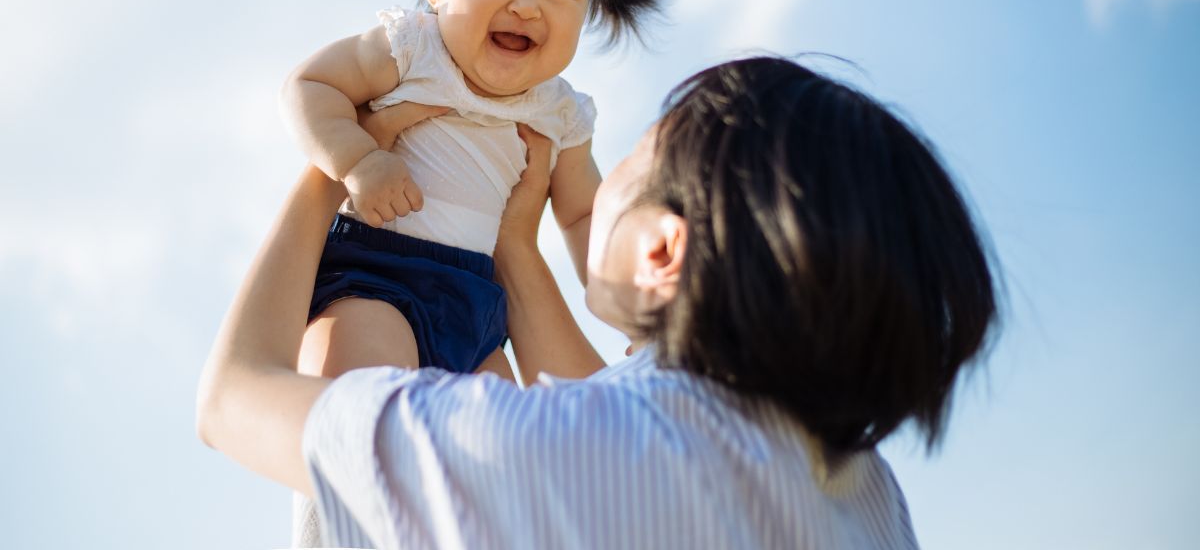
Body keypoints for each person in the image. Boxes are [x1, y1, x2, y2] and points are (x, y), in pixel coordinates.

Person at [198, 56, 999, 549]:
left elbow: (235, 397)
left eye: (628, 165)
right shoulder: (866, 492)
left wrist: (337, 167)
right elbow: (618, 403)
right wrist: (515, 248)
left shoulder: (533, 452)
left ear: (661, 250)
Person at [279, 0, 664, 543]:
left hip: (482, 311)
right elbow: (308, 87)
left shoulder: (561, 113)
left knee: (500, 480)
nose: (528, 3)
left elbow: (584, 216)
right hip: (375, 275)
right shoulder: (409, 49)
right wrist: (360, 157)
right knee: (362, 431)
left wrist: (627, 304)